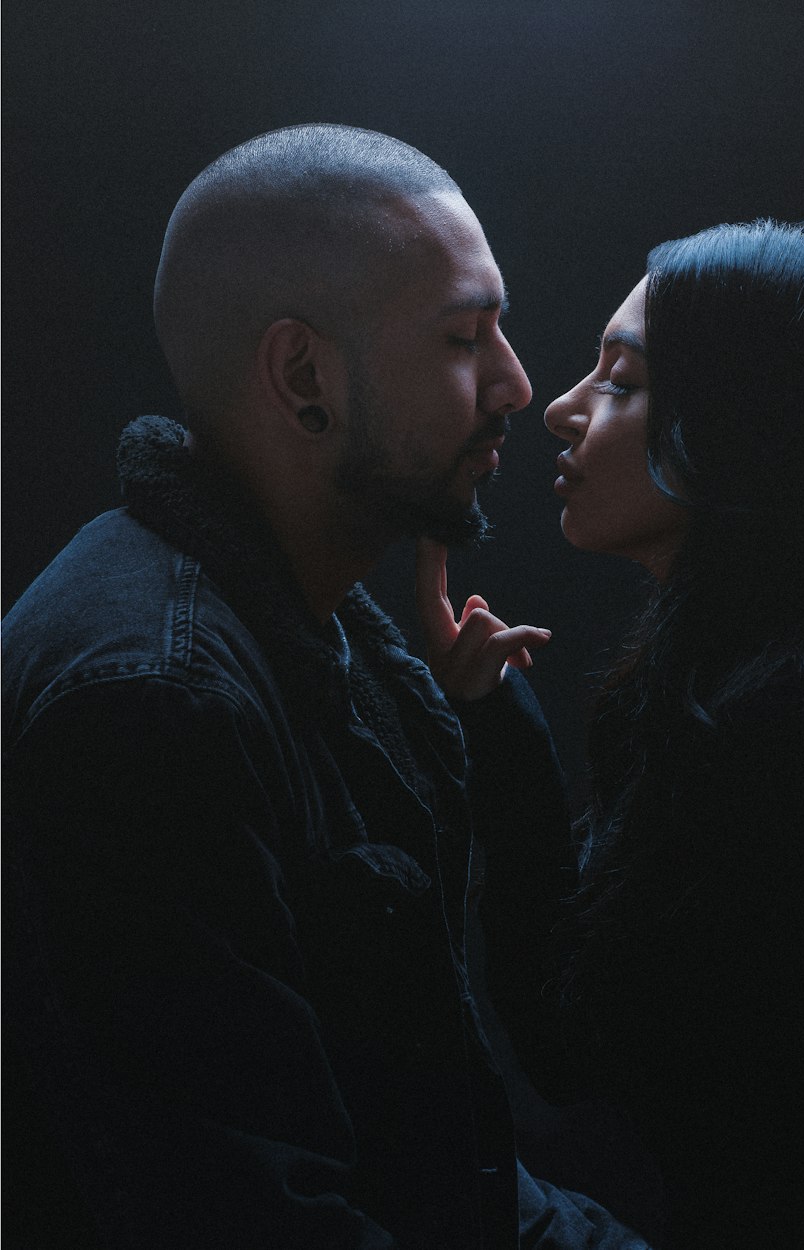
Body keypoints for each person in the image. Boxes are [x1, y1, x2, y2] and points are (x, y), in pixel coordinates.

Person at [3, 124, 652, 1249]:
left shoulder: (332, 626)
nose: (516, 384)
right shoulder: (154, 705)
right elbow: (249, 1215)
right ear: (303, 375)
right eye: (464, 337)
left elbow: (435, 1158)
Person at [422, 221, 804, 1246]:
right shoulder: (737, 686)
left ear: (751, 426)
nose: (557, 407)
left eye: (621, 382)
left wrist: (500, 744)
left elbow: (585, 1057)